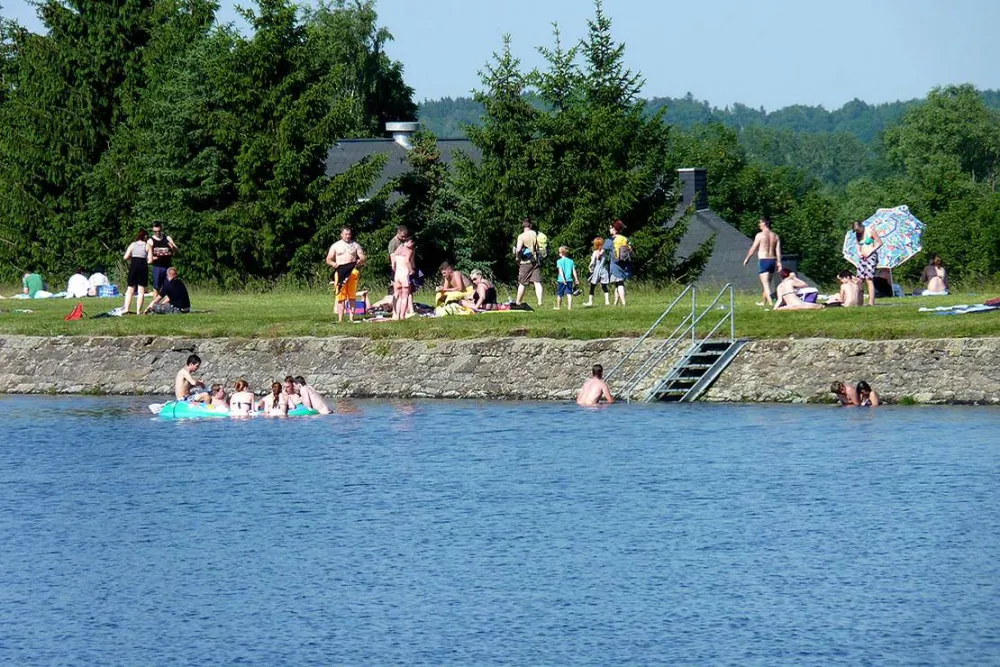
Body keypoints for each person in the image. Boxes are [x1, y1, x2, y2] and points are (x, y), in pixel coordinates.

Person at [326, 226, 367, 323]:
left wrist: (360, 260)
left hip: (352, 271)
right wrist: (333, 264)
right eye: (346, 234)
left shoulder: (355, 245)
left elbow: (362, 257)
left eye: (349, 234)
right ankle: (340, 319)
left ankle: (351, 318)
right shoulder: (335, 246)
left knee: (352, 296)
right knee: (340, 296)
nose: (348, 236)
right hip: (340, 271)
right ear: (341, 235)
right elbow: (328, 259)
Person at [742, 217, 782, 306]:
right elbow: (778, 251)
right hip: (772, 260)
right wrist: (779, 262)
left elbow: (753, 248)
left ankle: (772, 304)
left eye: (760, 223)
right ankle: (763, 302)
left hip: (764, 260)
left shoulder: (760, 235)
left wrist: (747, 258)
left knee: (765, 285)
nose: (759, 225)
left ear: (765, 223)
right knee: (767, 283)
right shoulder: (775, 236)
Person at [514, 218, 544, 306]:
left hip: (525, 262)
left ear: (523, 226)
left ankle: (518, 301)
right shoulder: (535, 234)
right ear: (530, 225)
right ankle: (540, 302)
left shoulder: (521, 236)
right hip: (535, 260)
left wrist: (516, 257)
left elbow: (519, 249)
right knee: (537, 282)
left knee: (522, 282)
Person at [122, 230, 152, 315]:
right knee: (141, 291)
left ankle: (126, 308)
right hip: (143, 267)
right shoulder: (147, 245)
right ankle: (138, 311)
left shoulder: (133, 244)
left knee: (130, 289)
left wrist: (132, 258)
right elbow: (150, 260)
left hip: (133, 266)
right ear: (145, 236)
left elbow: (125, 257)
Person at [853, 220, 882, 306]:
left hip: (871, 256)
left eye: (858, 229)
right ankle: (860, 302)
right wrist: (859, 252)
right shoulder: (858, 235)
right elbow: (858, 244)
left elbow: (879, 243)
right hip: (862, 257)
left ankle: (871, 302)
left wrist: (870, 252)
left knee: (869, 279)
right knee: (859, 279)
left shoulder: (870, 231)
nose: (857, 231)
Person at [148, 221, 179, 298]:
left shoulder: (167, 238)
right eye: (155, 232)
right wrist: (158, 257)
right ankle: (155, 305)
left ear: (161, 229)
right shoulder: (150, 241)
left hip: (168, 266)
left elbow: (177, 251)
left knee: (171, 285)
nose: (157, 233)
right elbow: (148, 258)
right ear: (153, 230)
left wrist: (172, 247)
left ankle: (170, 303)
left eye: (159, 231)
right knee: (156, 287)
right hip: (157, 266)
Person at [606, 220, 631, 306]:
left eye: (610, 228)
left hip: (615, 264)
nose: (609, 230)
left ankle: (624, 303)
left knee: (619, 283)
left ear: (614, 229)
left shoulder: (611, 240)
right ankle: (615, 303)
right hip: (624, 263)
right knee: (618, 283)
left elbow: (603, 249)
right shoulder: (625, 238)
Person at [391, 237, 416, 320]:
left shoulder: (398, 249)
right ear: (409, 242)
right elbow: (406, 261)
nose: (413, 245)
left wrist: (395, 269)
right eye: (413, 243)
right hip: (404, 274)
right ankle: (402, 316)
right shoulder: (408, 251)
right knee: (405, 296)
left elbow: (393, 262)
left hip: (397, 274)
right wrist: (411, 270)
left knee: (398, 295)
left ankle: (396, 315)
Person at [585, 236, 610, 307]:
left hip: (596, 270)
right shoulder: (604, 251)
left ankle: (590, 302)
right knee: (604, 286)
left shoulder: (595, 252)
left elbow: (592, 262)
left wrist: (590, 268)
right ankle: (607, 301)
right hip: (603, 270)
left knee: (592, 286)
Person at [555, 246, 579, 311]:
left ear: (562, 253)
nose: (559, 254)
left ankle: (558, 307)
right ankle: (569, 308)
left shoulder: (559, 261)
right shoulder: (571, 261)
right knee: (569, 294)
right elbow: (574, 271)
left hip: (561, 280)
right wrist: (576, 279)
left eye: (559, 252)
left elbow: (561, 271)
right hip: (569, 280)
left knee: (560, 294)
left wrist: (563, 279)